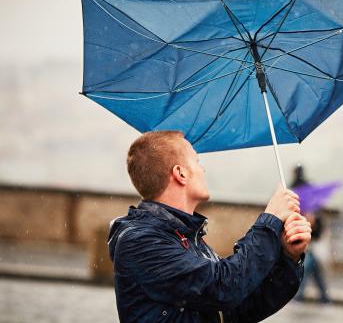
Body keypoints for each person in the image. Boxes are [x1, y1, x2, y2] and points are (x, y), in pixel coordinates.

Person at [108, 131, 312, 323]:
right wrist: (271, 220)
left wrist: (288, 257)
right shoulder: (140, 241)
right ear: (180, 173)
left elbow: (239, 309)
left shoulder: (185, 236)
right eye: (197, 161)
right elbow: (223, 287)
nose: (202, 169)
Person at [291, 165, 330, 303]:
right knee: (313, 269)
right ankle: (324, 297)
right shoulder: (310, 191)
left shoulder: (293, 189)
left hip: (308, 238)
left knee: (307, 267)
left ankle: (299, 294)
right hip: (311, 238)